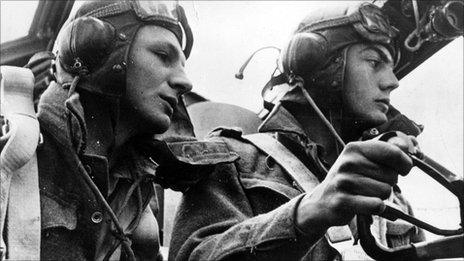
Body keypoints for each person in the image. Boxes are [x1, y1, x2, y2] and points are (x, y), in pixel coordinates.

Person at [169, 2, 425, 260]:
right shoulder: (235, 160)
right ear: (322, 65)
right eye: (374, 62)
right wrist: (307, 213)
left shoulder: (386, 190)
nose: (392, 82)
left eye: (391, 67)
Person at [5, 1, 195, 260]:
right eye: (163, 56)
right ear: (96, 51)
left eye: (183, 65)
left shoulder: (137, 190)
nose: (185, 81)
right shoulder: (12, 151)